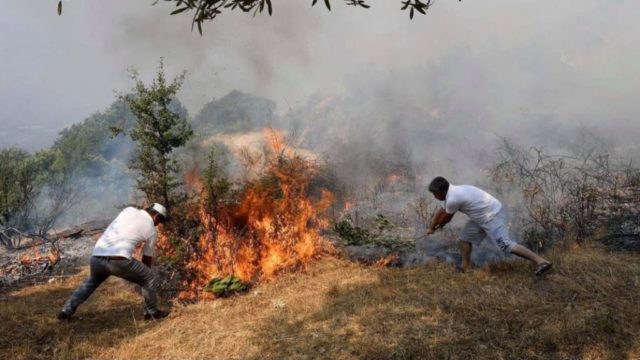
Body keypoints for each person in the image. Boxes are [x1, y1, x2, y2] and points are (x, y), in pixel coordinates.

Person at [57, 203, 170, 320]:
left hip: (97, 256)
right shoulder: (151, 229)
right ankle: (152, 313)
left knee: (90, 283)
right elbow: (147, 259)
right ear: (156, 216)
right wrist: (144, 276)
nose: (158, 225)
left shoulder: (129, 210)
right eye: (159, 221)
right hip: (118, 260)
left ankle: (65, 312)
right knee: (149, 277)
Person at [426, 176, 552, 276]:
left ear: (442, 192)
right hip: (481, 217)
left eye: (435, 194)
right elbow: (441, 212)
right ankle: (466, 268)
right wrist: (431, 227)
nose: (434, 196)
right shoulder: (451, 192)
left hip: (492, 216)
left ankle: (541, 261)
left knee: (505, 245)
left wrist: (437, 228)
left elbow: (446, 219)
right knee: (464, 239)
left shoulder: (453, 198)